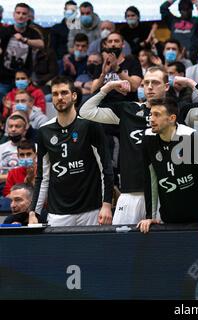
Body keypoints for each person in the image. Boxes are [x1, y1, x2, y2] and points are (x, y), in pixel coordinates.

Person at [80, 67, 168, 224]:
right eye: (145, 83)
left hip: (163, 193)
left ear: (166, 86)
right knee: (121, 246)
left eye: (155, 82)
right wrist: (108, 87)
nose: (149, 87)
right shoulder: (128, 110)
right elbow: (85, 111)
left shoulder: (175, 112)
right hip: (130, 194)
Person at [28, 76, 113, 226]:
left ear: (74, 96)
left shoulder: (90, 126)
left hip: (91, 209)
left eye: (64, 93)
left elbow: (105, 168)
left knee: (93, 250)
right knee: (60, 250)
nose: (59, 97)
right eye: (55, 94)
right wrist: (33, 212)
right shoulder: (44, 131)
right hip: (58, 213)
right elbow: (42, 176)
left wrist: (106, 204)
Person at [137, 97, 198, 234]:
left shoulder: (191, 138)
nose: (151, 119)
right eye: (151, 114)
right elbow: (150, 179)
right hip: (169, 220)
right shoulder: (148, 139)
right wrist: (151, 216)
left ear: (172, 118)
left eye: (157, 115)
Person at [0, 3, 44, 103]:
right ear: (13, 14)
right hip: (4, 77)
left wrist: (24, 40)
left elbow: (41, 44)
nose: (21, 16)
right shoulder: (5, 30)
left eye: (24, 14)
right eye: (18, 13)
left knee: (23, 104)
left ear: (28, 16)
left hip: (23, 79)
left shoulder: (32, 32)